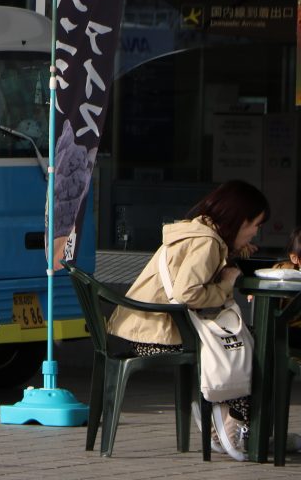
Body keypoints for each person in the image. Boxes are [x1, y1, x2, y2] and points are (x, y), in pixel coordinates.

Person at [108, 180, 266, 461]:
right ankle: (232, 421)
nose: (256, 231)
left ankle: (224, 416)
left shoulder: (200, 232)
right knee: (249, 345)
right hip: (158, 337)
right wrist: (226, 285)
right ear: (239, 219)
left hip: (144, 331)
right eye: (255, 224)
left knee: (245, 341)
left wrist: (233, 253)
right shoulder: (207, 243)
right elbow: (187, 293)